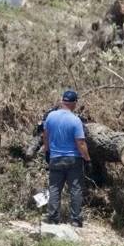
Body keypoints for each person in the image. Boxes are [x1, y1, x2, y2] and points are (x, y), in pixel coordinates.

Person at [43, 89, 90, 228]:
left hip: (55, 157)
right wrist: (87, 159)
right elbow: (80, 143)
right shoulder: (75, 120)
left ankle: (52, 218)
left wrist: (47, 152)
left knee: (54, 188)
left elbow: (45, 136)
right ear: (74, 103)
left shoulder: (51, 116)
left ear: (62, 101)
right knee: (75, 189)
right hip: (73, 160)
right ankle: (75, 220)